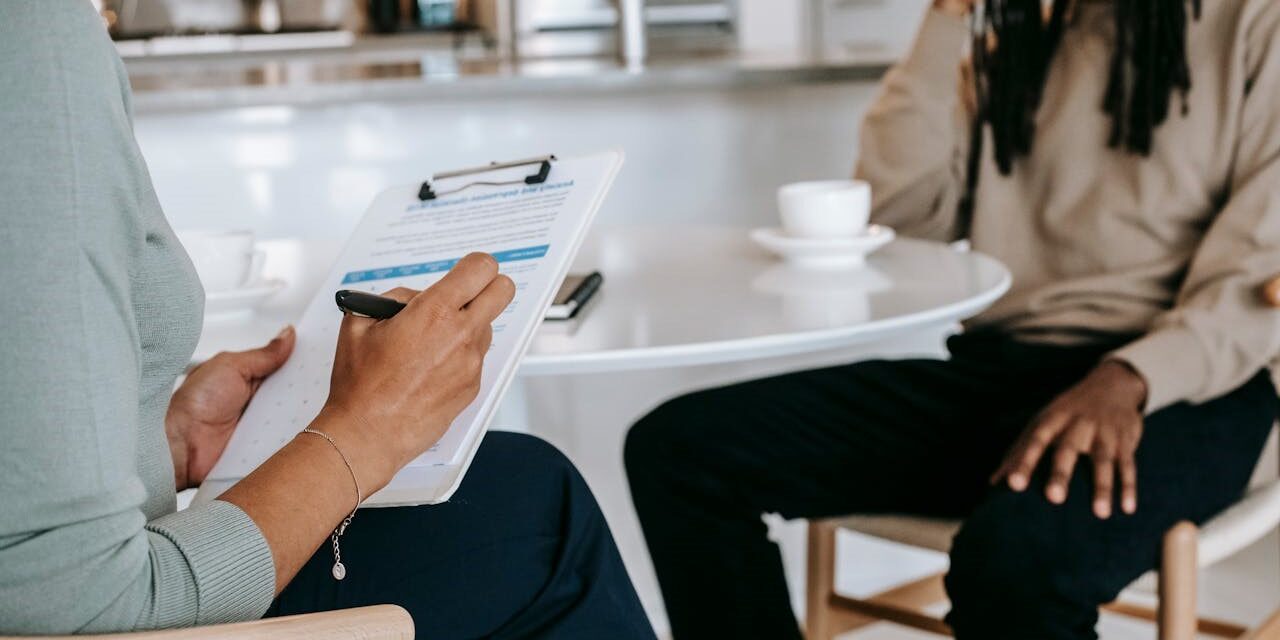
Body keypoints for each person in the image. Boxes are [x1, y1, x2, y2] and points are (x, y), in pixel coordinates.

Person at [625, 0, 1280, 638]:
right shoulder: (1016, 41)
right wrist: (944, 19)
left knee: (1015, 568)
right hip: (1005, 369)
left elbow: (1260, 271)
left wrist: (1129, 378)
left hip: (1192, 383)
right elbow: (903, 214)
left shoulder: (1255, 21)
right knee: (681, 452)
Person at [0, 3, 654, 638]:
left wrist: (162, 446)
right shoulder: (35, 38)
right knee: (533, 501)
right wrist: (367, 430)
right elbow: (76, 601)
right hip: (131, 616)